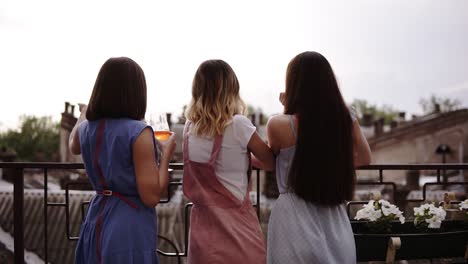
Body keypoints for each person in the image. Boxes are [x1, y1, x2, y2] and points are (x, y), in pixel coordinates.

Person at [266, 51, 372, 264]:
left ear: (293, 83)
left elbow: (272, 158)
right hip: (335, 220)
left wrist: (287, 106)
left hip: (293, 220)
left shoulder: (278, 124)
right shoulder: (345, 117)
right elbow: (364, 158)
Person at [69, 57, 176, 264]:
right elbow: (152, 196)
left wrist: (84, 113)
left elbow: (73, 145)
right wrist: (166, 156)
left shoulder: (85, 129)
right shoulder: (139, 132)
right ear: (137, 92)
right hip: (128, 226)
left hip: (96, 217)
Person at [183, 59, 275, 264]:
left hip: (202, 236)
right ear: (231, 89)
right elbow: (270, 162)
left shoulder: (189, 128)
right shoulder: (239, 125)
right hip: (238, 235)